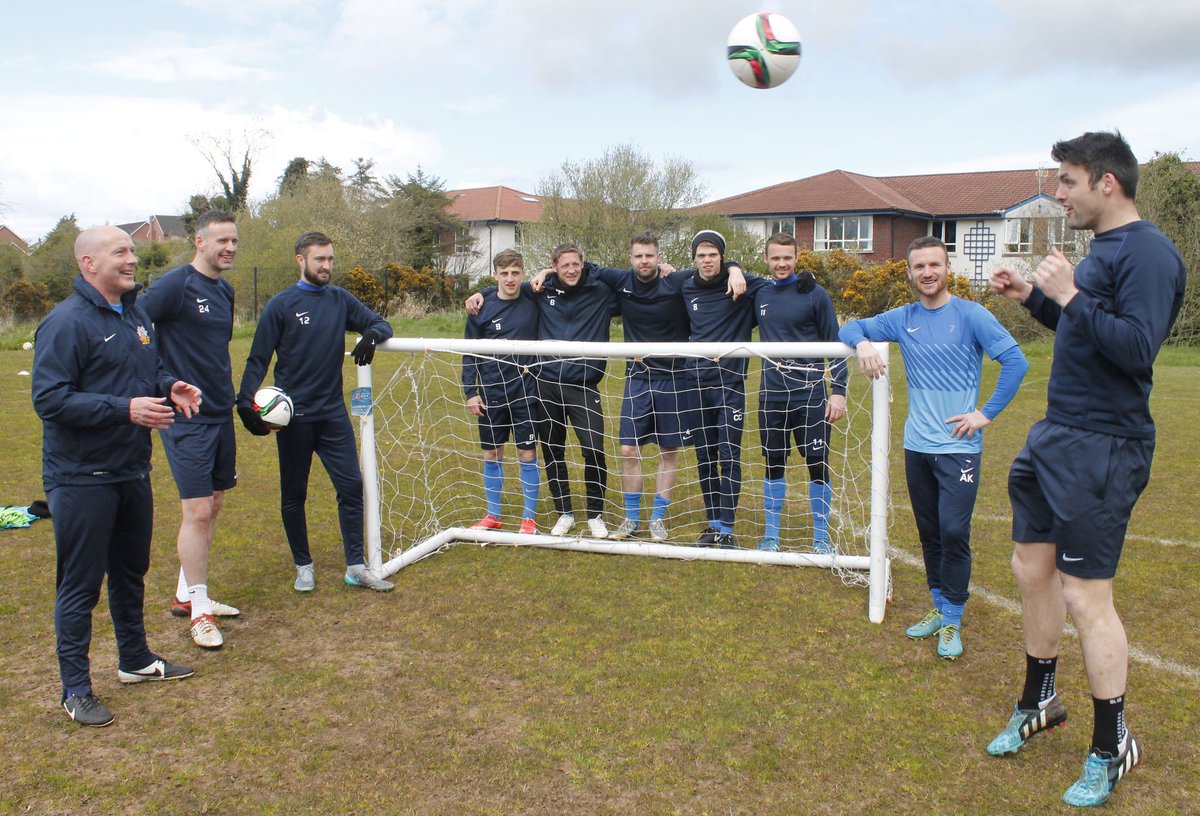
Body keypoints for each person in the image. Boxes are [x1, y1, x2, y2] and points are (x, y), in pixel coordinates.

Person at [986, 132, 1186, 808]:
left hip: (1105, 446)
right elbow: (1085, 330)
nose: (1059, 193)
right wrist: (1033, 300)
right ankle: (1039, 700)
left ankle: (1112, 744)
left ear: (1106, 183)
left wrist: (1069, 295)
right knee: (1030, 568)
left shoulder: (1151, 253)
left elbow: (1134, 348)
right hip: (1055, 435)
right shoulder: (1102, 250)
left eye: (1067, 181)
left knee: (1084, 596)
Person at [33, 225, 202, 727]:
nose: (132, 260)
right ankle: (76, 690)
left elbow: (144, 373)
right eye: (120, 252)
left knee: (130, 572)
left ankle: (135, 660)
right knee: (80, 586)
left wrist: (169, 385)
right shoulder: (65, 323)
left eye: (131, 250)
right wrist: (123, 409)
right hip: (81, 476)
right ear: (89, 264)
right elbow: (49, 398)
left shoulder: (136, 314)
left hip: (132, 469)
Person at [840, 235, 1028, 660]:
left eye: (934, 265)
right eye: (919, 267)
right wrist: (864, 343)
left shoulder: (972, 315)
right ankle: (940, 608)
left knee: (954, 531)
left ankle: (953, 620)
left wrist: (984, 414)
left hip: (959, 446)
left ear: (947, 269)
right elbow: (849, 326)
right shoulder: (902, 318)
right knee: (929, 533)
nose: (927, 273)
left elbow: (1017, 361)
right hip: (917, 447)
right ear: (909, 273)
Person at [237, 231, 395, 593]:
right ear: (300, 260)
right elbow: (258, 358)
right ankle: (303, 566)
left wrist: (371, 335)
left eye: (330, 259)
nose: (326, 266)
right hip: (292, 419)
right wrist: (245, 402)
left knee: (351, 486)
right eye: (320, 259)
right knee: (294, 493)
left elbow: (380, 323)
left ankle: (356, 566)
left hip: (332, 414)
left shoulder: (339, 300)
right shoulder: (280, 305)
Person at [139, 211, 241, 649]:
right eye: (221, 240)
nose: (230, 248)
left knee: (214, 503)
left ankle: (187, 595)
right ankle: (199, 611)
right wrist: (162, 381)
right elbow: (135, 326)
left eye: (234, 241)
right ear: (199, 241)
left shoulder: (227, 290)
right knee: (197, 510)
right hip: (185, 415)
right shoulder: (175, 284)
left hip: (220, 411)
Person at [470, 243, 617, 538]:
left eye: (576, 264)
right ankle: (564, 512)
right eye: (564, 265)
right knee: (552, 450)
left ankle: (595, 514)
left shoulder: (601, 290)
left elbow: (637, 287)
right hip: (545, 385)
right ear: (554, 267)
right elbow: (507, 289)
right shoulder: (541, 289)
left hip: (584, 385)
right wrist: (480, 294)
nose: (571, 270)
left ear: (583, 263)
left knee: (593, 449)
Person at [749, 233, 848, 553]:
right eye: (775, 258)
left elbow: (836, 344)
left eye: (787, 258)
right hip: (772, 395)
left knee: (817, 463)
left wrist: (839, 391)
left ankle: (821, 536)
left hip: (811, 395)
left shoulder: (815, 294)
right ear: (766, 259)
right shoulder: (760, 293)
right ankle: (771, 533)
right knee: (773, 463)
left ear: (796, 258)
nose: (781, 264)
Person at [681, 230, 756, 548]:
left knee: (729, 455)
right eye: (701, 255)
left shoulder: (742, 285)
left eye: (713, 254)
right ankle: (712, 525)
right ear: (695, 259)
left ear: (722, 257)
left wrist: (737, 269)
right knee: (704, 456)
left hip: (730, 384)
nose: (707, 260)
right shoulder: (686, 286)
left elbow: (780, 283)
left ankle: (727, 528)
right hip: (695, 382)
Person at [462, 249, 541, 534]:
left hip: (526, 392)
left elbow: (560, 277)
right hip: (491, 393)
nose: (510, 278)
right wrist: (470, 391)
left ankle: (528, 518)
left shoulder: (533, 297)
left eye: (515, 273)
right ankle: (493, 514)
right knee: (492, 454)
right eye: (504, 273)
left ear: (522, 274)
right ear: (495, 274)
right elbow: (470, 353)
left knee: (527, 454)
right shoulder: (480, 308)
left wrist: (543, 273)